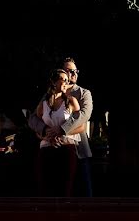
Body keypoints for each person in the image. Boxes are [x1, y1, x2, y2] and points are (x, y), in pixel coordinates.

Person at [30, 57, 94, 196]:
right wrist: (45, 131)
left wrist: (61, 130)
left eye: (76, 71)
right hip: (50, 147)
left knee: (82, 192)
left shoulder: (83, 93)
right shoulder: (48, 97)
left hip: (78, 149)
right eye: (70, 71)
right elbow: (34, 118)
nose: (74, 74)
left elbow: (83, 116)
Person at [34, 68, 81, 196]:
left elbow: (81, 127)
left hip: (66, 148)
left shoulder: (71, 102)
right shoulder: (42, 105)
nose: (66, 82)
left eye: (67, 80)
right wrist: (46, 136)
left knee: (65, 190)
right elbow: (37, 130)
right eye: (62, 80)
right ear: (53, 82)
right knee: (45, 190)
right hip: (46, 149)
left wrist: (62, 131)